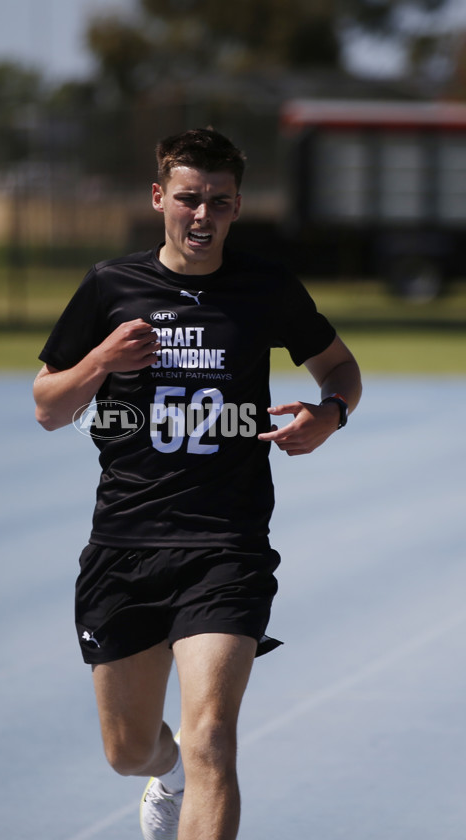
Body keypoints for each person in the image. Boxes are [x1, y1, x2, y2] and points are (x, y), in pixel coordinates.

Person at [33, 128, 362, 840]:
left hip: (227, 547)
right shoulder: (110, 287)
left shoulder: (265, 288)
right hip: (124, 546)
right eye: (188, 199)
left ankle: (191, 771)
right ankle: (167, 771)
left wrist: (329, 415)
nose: (202, 215)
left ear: (238, 205)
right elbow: (48, 408)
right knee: (127, 752)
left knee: (213, 735)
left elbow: (341, 369)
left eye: (218, 200)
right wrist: (101, 359)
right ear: (159, 198)